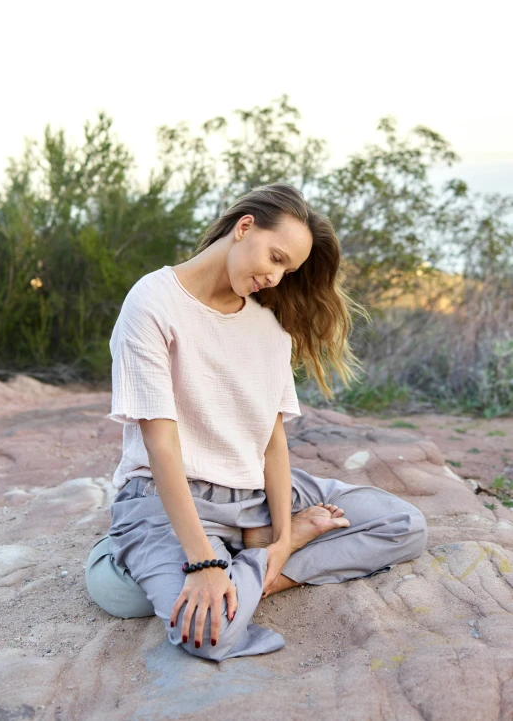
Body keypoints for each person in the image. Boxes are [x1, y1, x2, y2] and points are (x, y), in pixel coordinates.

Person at [85, 183, 428, 662]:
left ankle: (259, 560)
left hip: (254, 497)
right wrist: (205, 561)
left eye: (287, 268)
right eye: (275, 256)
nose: (276, 275)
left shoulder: (269, 330)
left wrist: (284, 537)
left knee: (403, 523)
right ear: (244, 226)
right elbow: (162, 446)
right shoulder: (153, 302)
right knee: (207, 635)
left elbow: (272, 445)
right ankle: (241, 557)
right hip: (170, 497)